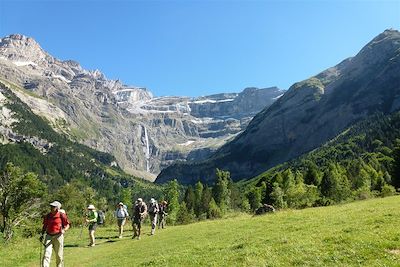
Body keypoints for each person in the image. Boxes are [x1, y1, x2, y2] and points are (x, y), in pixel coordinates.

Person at [40, 201, 70, 267]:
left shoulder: (62, 215)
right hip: (48, 236)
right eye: (51, 206)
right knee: (46, 254)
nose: (51, 208)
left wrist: (64, 230)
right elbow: (44, 226)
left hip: (58, 236)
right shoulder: (48, 216)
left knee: (59, 255)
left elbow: (67, 225)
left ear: (57, 208)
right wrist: (42, 235)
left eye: (53, 207)